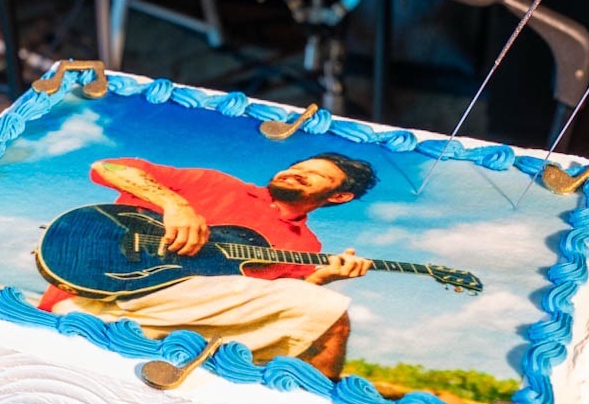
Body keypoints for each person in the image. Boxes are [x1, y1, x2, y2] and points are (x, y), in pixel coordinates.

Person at [38, 153, 378, 379]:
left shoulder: (307, 245)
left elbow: (265, 305)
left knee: (318, 308)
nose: (297, 173)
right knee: (328, 310)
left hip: (175, 318)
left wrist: (321, 277)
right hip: (93, 293)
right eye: (297, 167)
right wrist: (176, 205)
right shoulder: (215, 183)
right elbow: (107, 167)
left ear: (339, 196)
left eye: (315, 175)